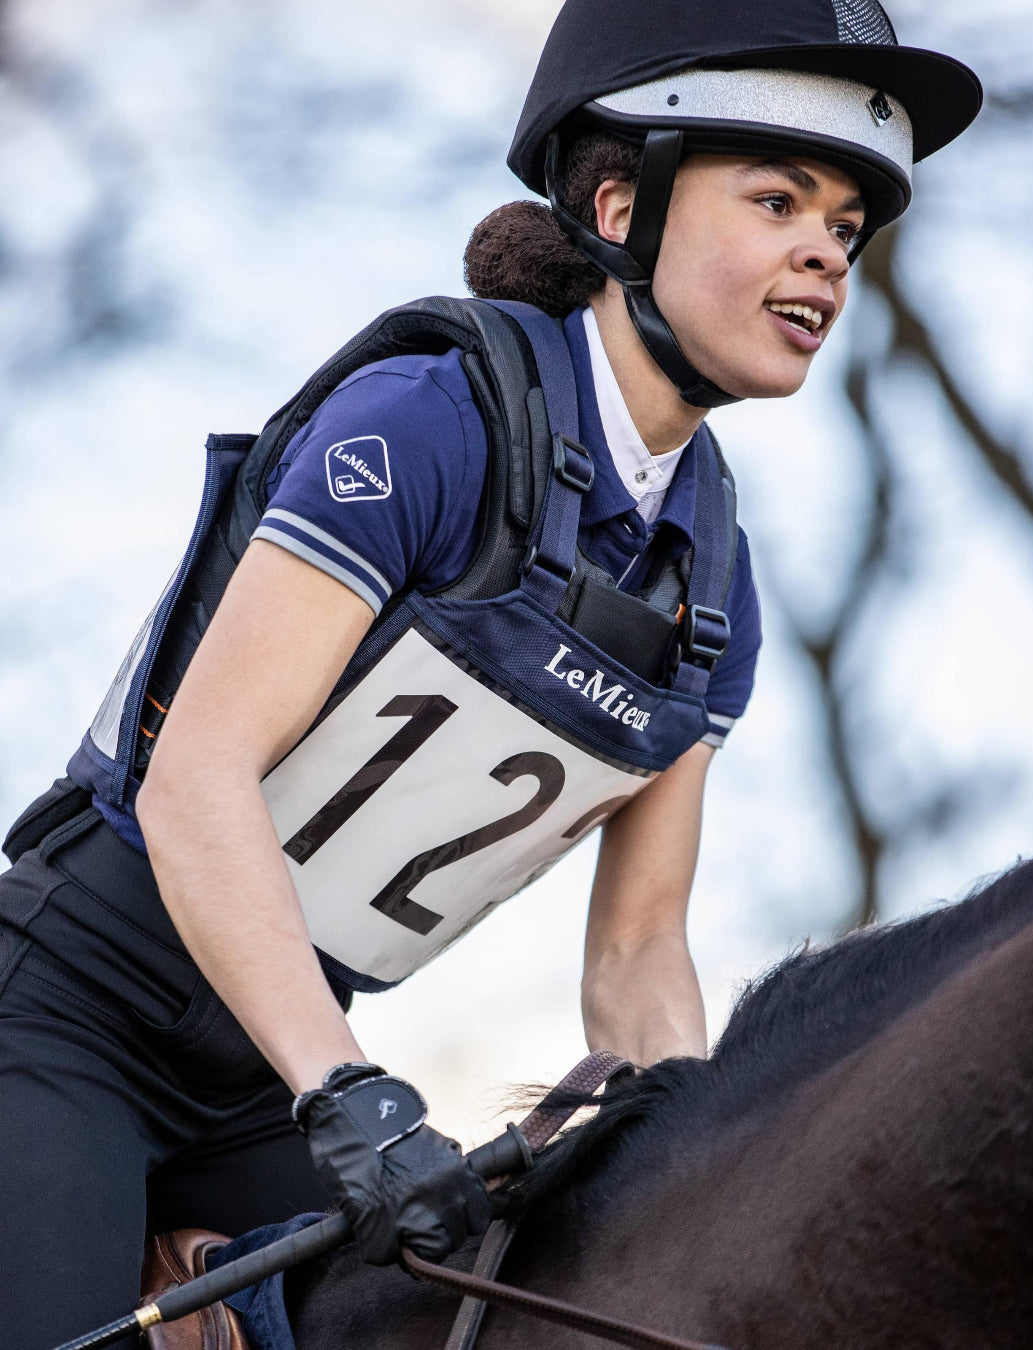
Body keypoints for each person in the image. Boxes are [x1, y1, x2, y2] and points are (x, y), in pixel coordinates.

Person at [0, 0, 981, 1345]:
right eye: (777, 201)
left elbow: (638, 950)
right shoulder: (432, 420)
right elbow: (195, 781)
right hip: (71, 1010)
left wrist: (711, 1168)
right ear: (622, 209)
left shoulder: (711, 585)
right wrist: (348, 1092)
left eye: (847, 230)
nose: (826, 251)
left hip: (264, 1079)